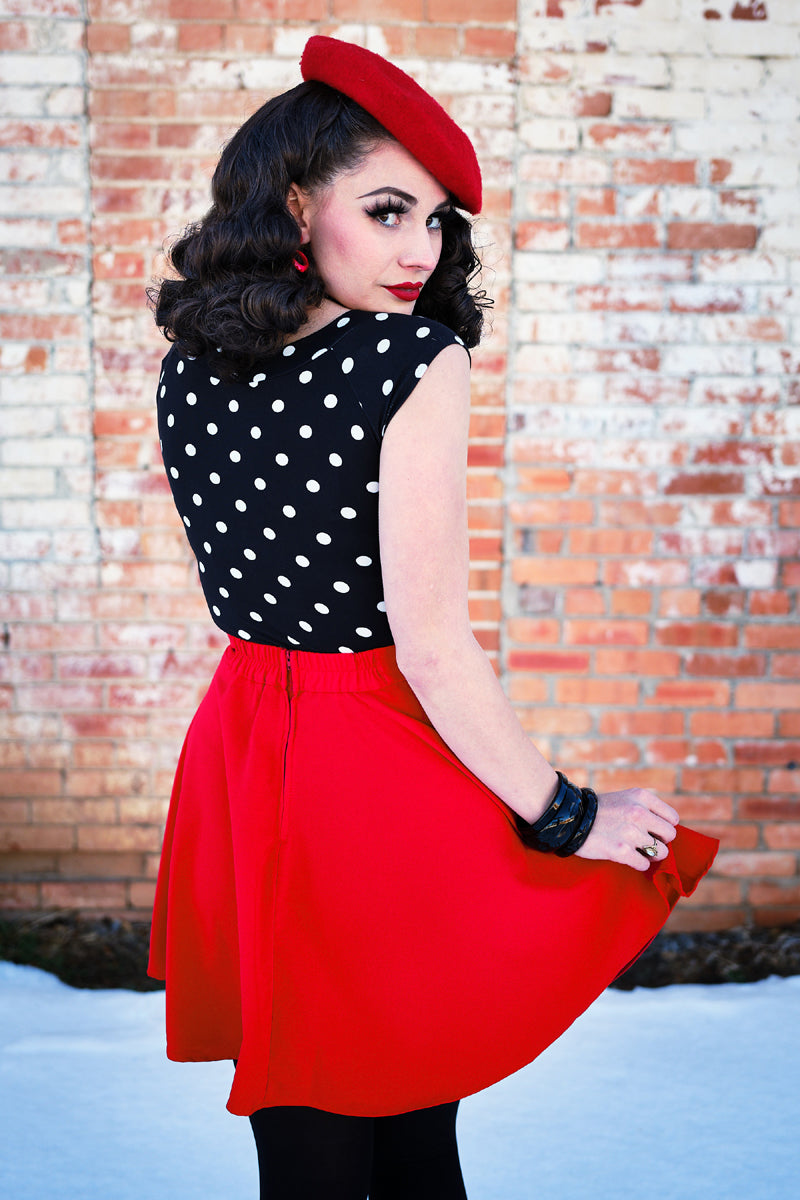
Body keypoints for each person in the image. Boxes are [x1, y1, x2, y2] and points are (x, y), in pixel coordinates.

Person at [146, 35, 718, 1200]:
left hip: (242, 744)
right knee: (407, 1140)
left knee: (304, 1137)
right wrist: (564, 817)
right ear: (298, 203)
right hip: (374, 757)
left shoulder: (188, 365)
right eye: (389, 210)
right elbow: (432, 645)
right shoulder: (411, 359)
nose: (420, 251)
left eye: (437, 221)